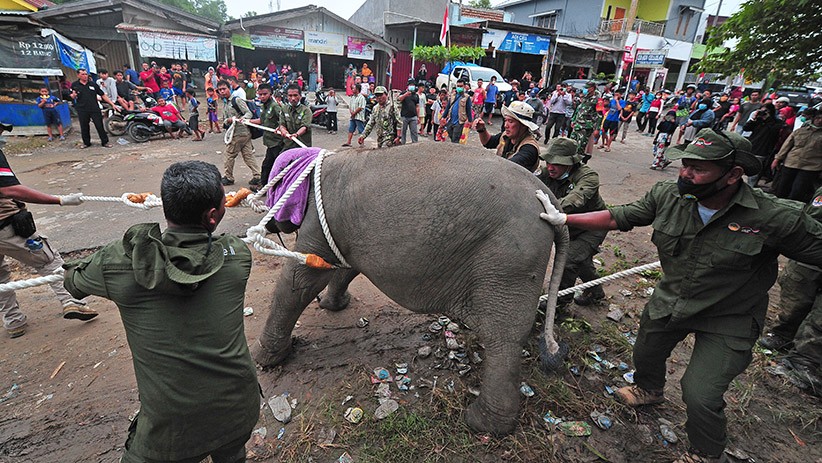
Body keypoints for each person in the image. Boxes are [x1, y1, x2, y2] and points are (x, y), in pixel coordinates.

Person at [537, 128, 822, 463]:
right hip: (672, 300)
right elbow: (619, 216)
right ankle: (650, 389)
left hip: (729, 317)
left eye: (698, 169)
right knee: (646, 353)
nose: (686, 173)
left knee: (700, 394)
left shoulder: (774, 216)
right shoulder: (668, 195)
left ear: (732, 175)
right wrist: (565, 218)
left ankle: (705, 452)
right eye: (685, 164)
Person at [63, 160, 260, 463]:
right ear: (213, 215)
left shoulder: (118, 261)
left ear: (167, 207)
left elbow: (73, 284)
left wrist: (105, 261)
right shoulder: (237, 257)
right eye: (224, 201)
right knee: (232, 453)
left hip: (170, 430)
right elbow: (214, 246)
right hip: (238, 408)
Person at [0, 122, 95, 338]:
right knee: (48, 261)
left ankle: (13, 322)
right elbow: (9, 189)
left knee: (0, 278)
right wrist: (59, 200)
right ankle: (72, 301)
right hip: (5, 226)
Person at [758, 185, 822, 396]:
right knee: (796, 301)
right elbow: (811, 223)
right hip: (810, 258)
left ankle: (805, 358)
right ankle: (783, 333)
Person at [536, 138, 607, 306]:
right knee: (581, 260)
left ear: (570, 163)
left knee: (569, 260)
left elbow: (576, 199)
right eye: (549, 162)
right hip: (568, 225)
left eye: (557, 164)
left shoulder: (588, 177)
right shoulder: (547, 173)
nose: (551, 167)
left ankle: (561, 302)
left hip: (591, 227)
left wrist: (552, 208)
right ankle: (596, 291)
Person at [216, 80, 261, 188]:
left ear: (229, 88)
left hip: (239, 133)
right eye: (220, 90)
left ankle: (228, 177)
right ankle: (257, 176)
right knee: (248, 155)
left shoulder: (236, 100)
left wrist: (241, 119)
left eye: (224, 89)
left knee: (229, 155)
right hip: (239, 133)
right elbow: (226, 119)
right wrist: (228, 120)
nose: (222, 91)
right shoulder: (226, 103)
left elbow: (248, 113)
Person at [771, 108, 822, 202]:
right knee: (781, 189)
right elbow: (786, 146)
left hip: (811, 167)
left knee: (797, 192)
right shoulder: (800, 131)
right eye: (818, 118)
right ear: (813, 118)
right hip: (791, 163)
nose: (820, 121)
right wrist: (777, 159)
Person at [475, 100, 540, 172]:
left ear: (524, 125)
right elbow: (488, 142)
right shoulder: (506, 136)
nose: (505, 125)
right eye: (506, 120)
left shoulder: (529, 148)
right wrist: (481, 130)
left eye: (511, 121)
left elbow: (508, 168)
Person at [70, 68, 115, 149]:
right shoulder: (75, 85)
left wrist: (112, 104)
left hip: (94, 108)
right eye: (83, 74)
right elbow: (71, 95)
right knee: (84, 126)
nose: (85, 76)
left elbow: (103, 95)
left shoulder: (93, 84)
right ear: (78, 75)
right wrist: (73, 96)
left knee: (99, 126)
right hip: (82, 109)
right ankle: (86, 143)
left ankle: (105, 142)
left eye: (86, 74)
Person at [251, 83, 283, 186]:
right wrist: (248, 121)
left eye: (265, 94)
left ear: (271, 94)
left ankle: (271, 186)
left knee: (277, 166)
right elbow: (261, 120)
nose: (262, 96)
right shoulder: (264, 106)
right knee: (267, 165)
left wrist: (281, 127)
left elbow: (284, 120)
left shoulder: (274, 106)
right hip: (270, 142)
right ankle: (264, 185)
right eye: (260, 94)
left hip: (277, 142)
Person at [743, 103, 781, 186]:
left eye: (765, 111)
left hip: (763, 150)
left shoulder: (776, 123)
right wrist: (754, 119)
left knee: (755, 172)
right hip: (752, 147)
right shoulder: (758, 121)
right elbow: (746, 128)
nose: (763, 113)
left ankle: (750, 188)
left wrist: (767, 119)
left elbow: (774, 133)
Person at [569, 81, 600, 162]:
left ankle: (579, 163)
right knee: (572, 144)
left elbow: (600, 115)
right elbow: (579, 109)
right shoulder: (585, 97)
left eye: (588, 88)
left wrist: (598, 128)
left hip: (586, 126)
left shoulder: (597, 100)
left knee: (581, 147)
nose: (586, 89)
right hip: (577, 124)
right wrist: (574, 119)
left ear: (592, 88)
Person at [445, 79, 474, 143]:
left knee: (455, 139)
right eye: (458, 86)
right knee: (450, 133)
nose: (459, 87)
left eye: (461, 86)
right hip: (451, 120)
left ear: (464, 87)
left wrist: (470, 121)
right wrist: (443, 117)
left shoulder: (466, 97)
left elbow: (468, 109)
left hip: (459, 121)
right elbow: (448, 107)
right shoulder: (453, 96)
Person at [398, 79, 420, 144]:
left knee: (414, 132)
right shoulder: (403, 93)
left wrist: (418, 117)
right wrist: (405, 94)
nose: (412, 86)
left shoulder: (416, 95)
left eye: (413, 85)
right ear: (408, 86)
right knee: (403, 132)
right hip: (404, 116)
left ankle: (415, 144)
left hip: (413, 116)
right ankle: (402, 144)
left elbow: (417, 106)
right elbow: (399, 99)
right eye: (410, 85)